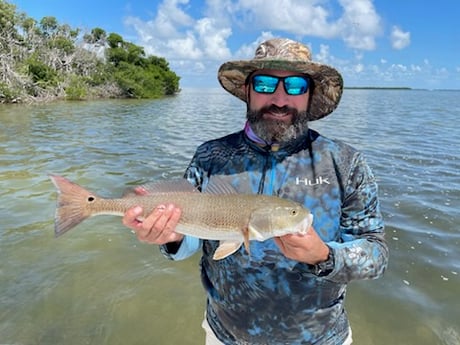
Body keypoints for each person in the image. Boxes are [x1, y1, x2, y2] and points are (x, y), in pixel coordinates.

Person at [122, 38, 389, 345]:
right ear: (247, 90)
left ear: (310, 94)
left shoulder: (345, 162)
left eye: (295, 86)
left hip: (321, 338)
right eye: (264, 84)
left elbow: (376, 254)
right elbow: (193, 231)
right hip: (225, 335)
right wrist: (171, 236)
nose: (279, 98)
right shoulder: (211, 156)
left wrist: (324, 255)